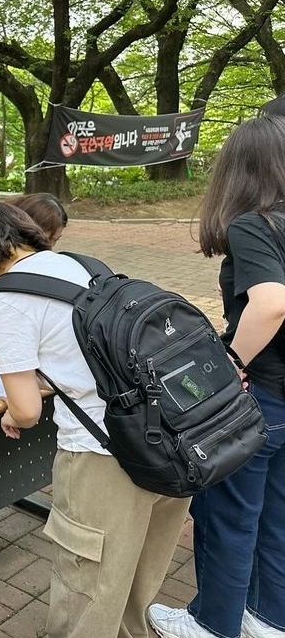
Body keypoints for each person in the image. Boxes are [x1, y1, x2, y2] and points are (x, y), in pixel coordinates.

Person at [0, 202, 190, 638]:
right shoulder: (82, 265)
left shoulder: (5, 299)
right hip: (173, 438)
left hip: (104, 456)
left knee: (87, 594)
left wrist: (13, 411)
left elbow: (27, 410)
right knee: (134, 586)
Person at [147, 115, 285, 638]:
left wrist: (232, 361)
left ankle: (212, 623)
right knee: (277, 514)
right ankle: (268, 617)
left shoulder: (254, 224)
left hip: (262, 395)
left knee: (228, 513)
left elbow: (271, 304)